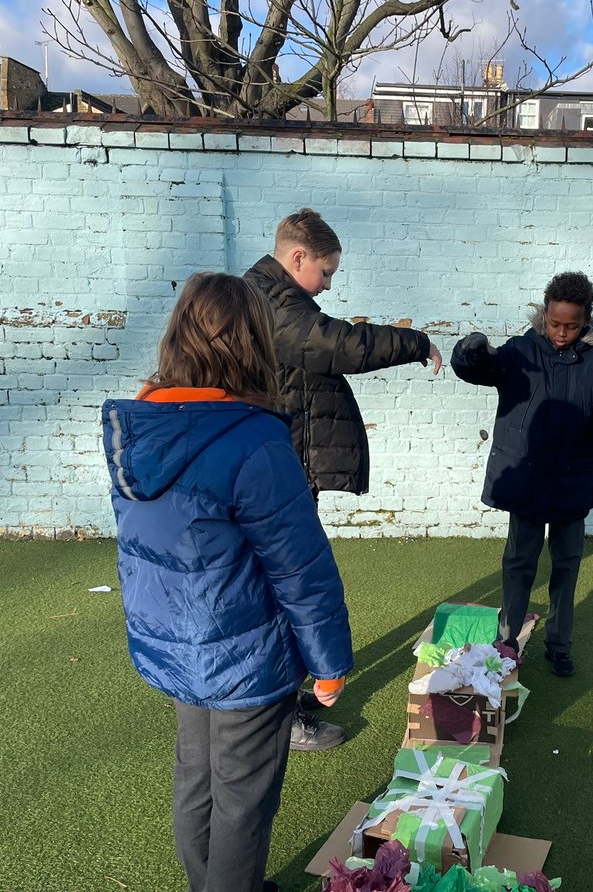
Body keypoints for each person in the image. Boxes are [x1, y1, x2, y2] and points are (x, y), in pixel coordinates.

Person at [102, 272, 353, 892]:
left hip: (176, 646)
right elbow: (300, 569)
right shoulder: (253, 439)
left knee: (197, 778)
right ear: (250, 343)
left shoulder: (135, 431)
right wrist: (329, 664)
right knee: (243, 798)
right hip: (244, 653)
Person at [244, 208, 441, 751]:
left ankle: (281, 705)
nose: (328, 285)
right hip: (277, 471)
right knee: (288, 592)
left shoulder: (270, 297)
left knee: (286, 589)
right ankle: (279, 716)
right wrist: (415, 343)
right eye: (326, 273)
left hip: (278, 463)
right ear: (297, 257)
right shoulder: (273, 304)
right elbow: (341, 345)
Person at [451, 272, 593, 677]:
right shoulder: (519, 352)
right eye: (555, 323)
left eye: (571, 325)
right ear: (544, 314)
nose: (562, 333)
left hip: (573, 477)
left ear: (587, 321)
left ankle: (559, 644)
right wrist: (470, 351)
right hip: (526, 479)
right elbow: (480, 369)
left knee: (567, 563)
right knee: (519, 561)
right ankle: (507, 640)